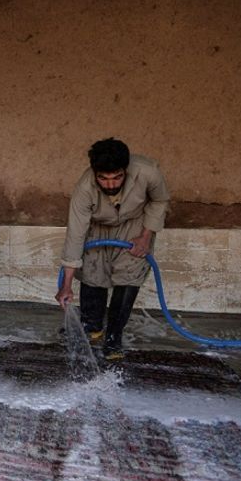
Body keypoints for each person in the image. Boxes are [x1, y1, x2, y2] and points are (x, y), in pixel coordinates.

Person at [55, 138, 169, 360]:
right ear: (94, 173)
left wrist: (146, 236)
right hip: (99, 225)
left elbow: (160, 200)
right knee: (92, 270)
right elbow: (76, 233)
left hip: (134, 224)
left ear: (125, 170)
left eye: (117, 177)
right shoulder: (84, 188)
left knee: (130, 272)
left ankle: (113, 337)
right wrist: (66, 285)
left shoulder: (147, 172)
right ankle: (92, 326)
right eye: (103, 178)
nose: (110, 185)